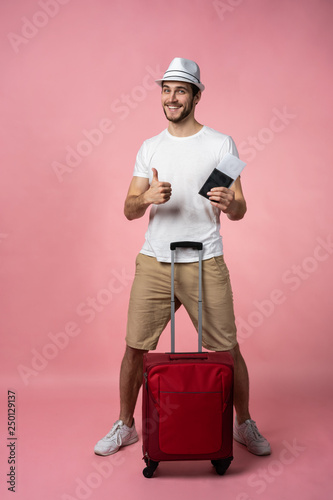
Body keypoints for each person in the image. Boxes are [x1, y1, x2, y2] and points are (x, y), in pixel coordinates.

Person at [94, 57, 271, 458]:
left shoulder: (220, 144)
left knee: (228, 350)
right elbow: (128, 209)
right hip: (155, 262)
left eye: (180, 90)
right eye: (166, 89)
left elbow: (241, 208)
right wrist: (146, 197)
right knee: (135, 348)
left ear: (196, 96)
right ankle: (126, 425)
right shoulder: (150, 147)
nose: (171, 97)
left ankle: (243, 424)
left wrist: (230, 202)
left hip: (205, 261)